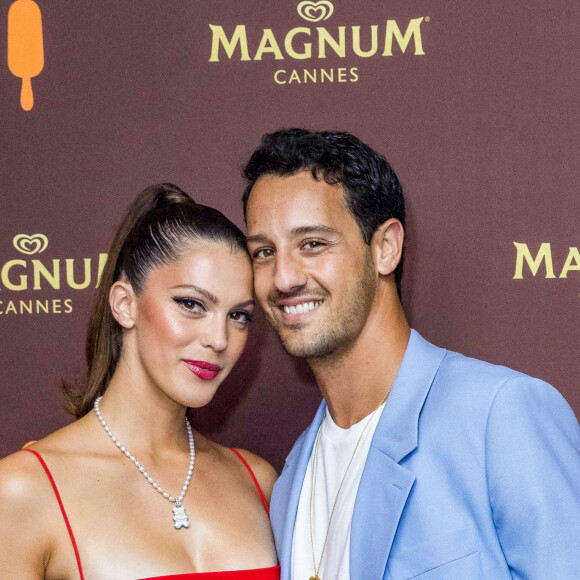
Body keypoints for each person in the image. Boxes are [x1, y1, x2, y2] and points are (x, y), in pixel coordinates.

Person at [241, 128, 580, 580]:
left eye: (313, 244)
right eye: (264, 252)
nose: (283, 278)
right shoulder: (288, 486)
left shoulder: (500, 417)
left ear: (386, 248)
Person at [0, 184, 280, 579]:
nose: (219, 339)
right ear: (124, 304)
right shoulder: (23, 491)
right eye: (191, 304)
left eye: (239, 316)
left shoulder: (258, 481)